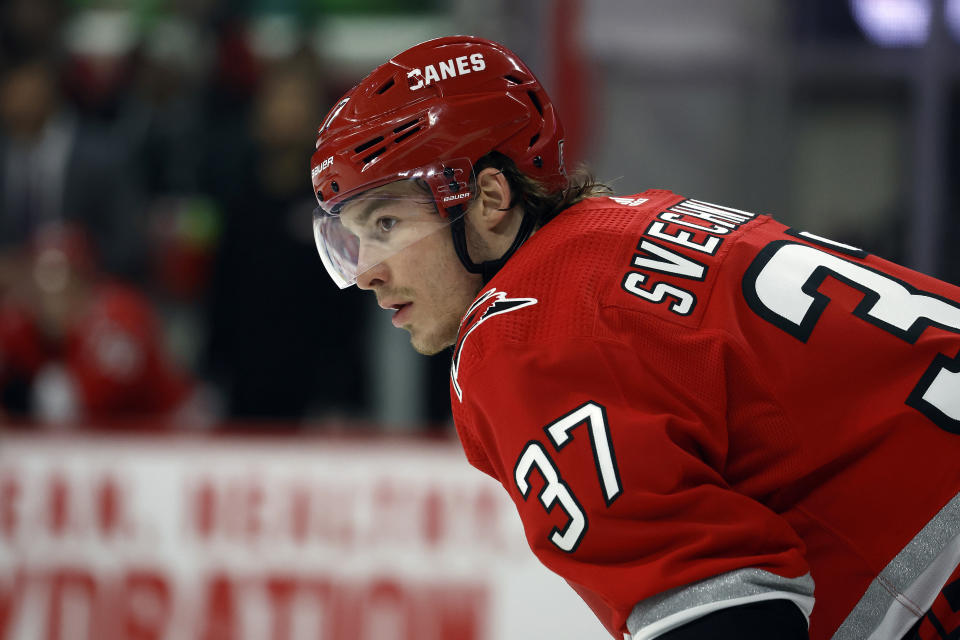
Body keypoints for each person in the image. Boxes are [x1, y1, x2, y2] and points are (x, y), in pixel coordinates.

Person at [307, 36, 960, 640]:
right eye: (353, 237)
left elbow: (726, 617)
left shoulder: (524, 334)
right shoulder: (626, 229)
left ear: (489, 199)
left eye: (386, 222)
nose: (365, 270)